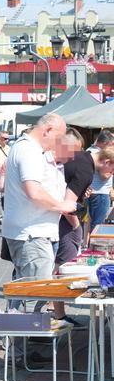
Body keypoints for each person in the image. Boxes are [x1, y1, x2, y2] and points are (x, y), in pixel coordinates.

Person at [2, 113, 75, 314]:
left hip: (36, 231)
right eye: (58, 137)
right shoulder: (28, 150)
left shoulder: (29, 149)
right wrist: (62, 205)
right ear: (47, 130)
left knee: (28, 289)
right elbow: (34, 191)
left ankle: (20, 336)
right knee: (37, 292)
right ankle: (22, 338)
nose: (58, 143)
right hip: (32, 233)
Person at [53, 133, 114, 323]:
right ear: (107, 161)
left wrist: (82, 193)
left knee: (59, 266)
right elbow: (67, 204)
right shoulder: (86, 170)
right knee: (63, 267)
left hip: (55, 220)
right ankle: (58, 314)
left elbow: (67, 187)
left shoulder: (81, 158)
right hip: (63, 222)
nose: (111, 175)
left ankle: (58, 312)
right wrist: (77, 226)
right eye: (113, 170)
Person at [87, 129, 114, 231]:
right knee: (98, 224)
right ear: (105, 143)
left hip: (94, 192)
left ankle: (91, 245)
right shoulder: (99, 154)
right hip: (100, 193)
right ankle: (94, 246)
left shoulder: (90, 150)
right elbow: (104, 175)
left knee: (95, 222)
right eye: (111, 144)